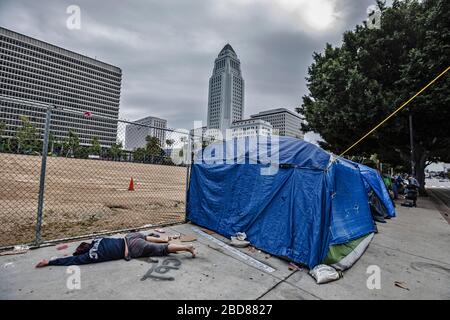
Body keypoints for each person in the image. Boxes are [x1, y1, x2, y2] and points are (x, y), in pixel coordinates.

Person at [35, 232, 196, 268]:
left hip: (132, 247)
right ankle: (164, 237)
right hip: (130, 237)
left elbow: (72, 260)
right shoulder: (97, 240)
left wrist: (50, 262)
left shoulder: (91, 255)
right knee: (146, 237)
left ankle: (186, 247)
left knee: (162, 250)